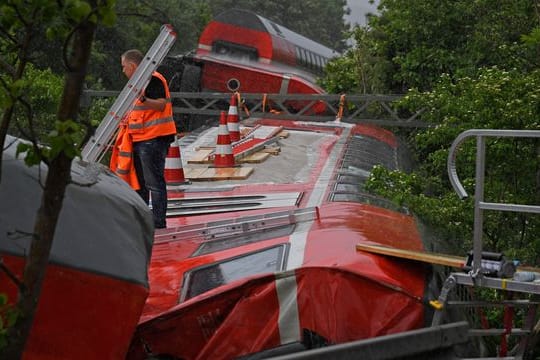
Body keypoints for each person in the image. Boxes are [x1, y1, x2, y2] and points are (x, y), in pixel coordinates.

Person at [119, 49, 177, 229]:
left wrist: (143, 99)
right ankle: (144, 218)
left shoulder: (152, 79)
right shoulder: (138, 85)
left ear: (132, 66)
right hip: (141, 138)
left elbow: (160, 105)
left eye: (124, 67)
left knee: (154, 182)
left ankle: (158, 221)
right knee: (141, 182)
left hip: (153, 139)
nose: (123, 71)